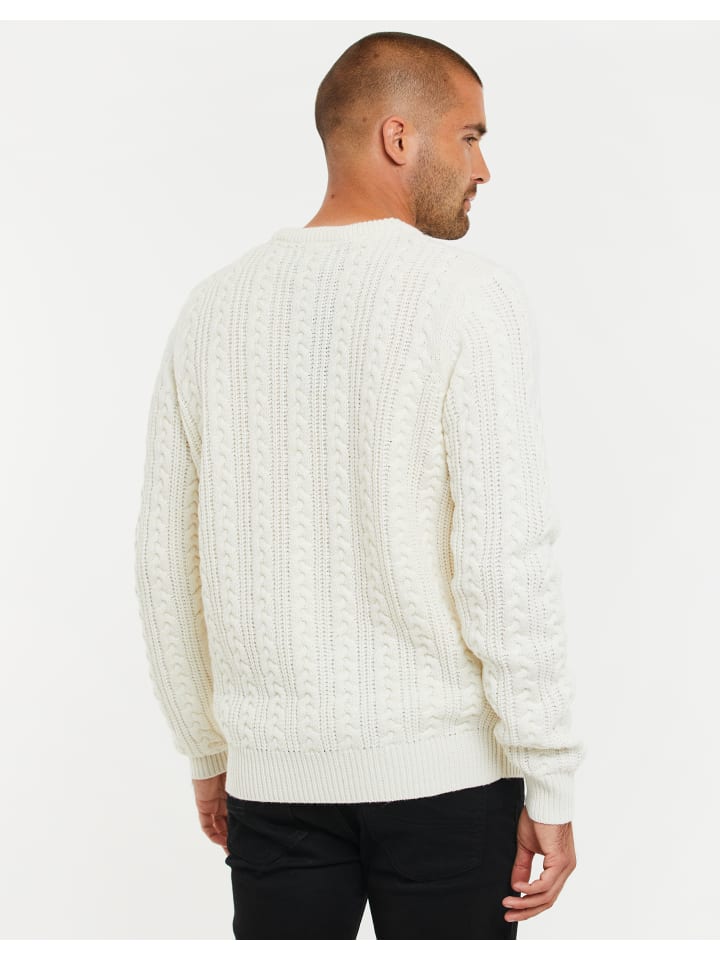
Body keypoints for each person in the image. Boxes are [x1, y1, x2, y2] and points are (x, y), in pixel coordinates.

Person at [133, 30, 586, 939]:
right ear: (397, 136)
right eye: (470, 136)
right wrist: (549, 774)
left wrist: (209, 751)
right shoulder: (468, 296)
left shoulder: (214, 308)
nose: (484, 167)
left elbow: (165, 563)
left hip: (272, 784)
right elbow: (505, 558)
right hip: (448, 783)